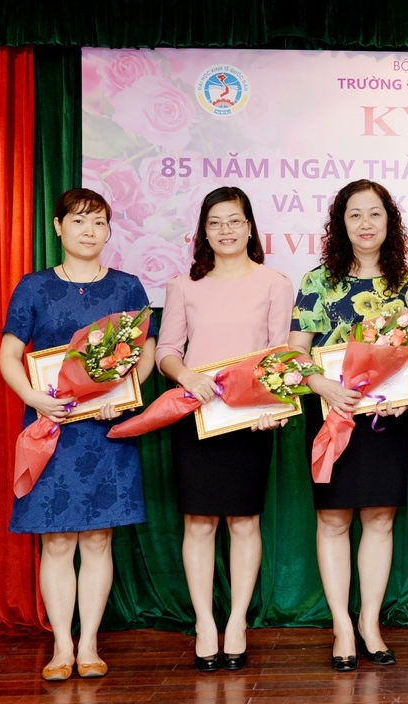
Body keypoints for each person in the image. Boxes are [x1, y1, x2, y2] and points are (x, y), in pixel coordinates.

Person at [0, 188, 156, 681]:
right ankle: (61, 647)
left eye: (99, 222)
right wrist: (33, 397)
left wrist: (125, 395)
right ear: (58, 226)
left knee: (98, 538)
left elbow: (146, 353)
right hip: (53, 428)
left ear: (109, 230)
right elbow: (9, 354)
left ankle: (89, 644)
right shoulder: (34, 287)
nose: (90, 231)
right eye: (80, 221)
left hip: (107, 430)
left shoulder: (128, 286)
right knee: (57, 541)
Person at [155, 186, 294, 672]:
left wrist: (275, 405)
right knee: (198, 522)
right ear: (203, 232)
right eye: (215, 223)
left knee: (244, 522)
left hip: (251, 420)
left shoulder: (275, 283)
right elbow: (166, 350)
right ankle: (203, 624)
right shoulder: (183, 286)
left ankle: (236, 623)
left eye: (234, 220)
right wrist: (186, 375)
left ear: (250, 227)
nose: (226, 230)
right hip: (196, 415)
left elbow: (280, 355)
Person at [288, 179, 408, 672]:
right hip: (333, 414)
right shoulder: (317, 281)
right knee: (333, 520)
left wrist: (404, 394)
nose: (366, 224)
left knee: (380, 519)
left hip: (386, 418)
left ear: (390, 222)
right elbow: (295, 352)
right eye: (355, 215)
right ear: (340, 224)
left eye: (375, 214)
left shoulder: (406, 284)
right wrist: (322, 385)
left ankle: (369, 623)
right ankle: (342, 626)